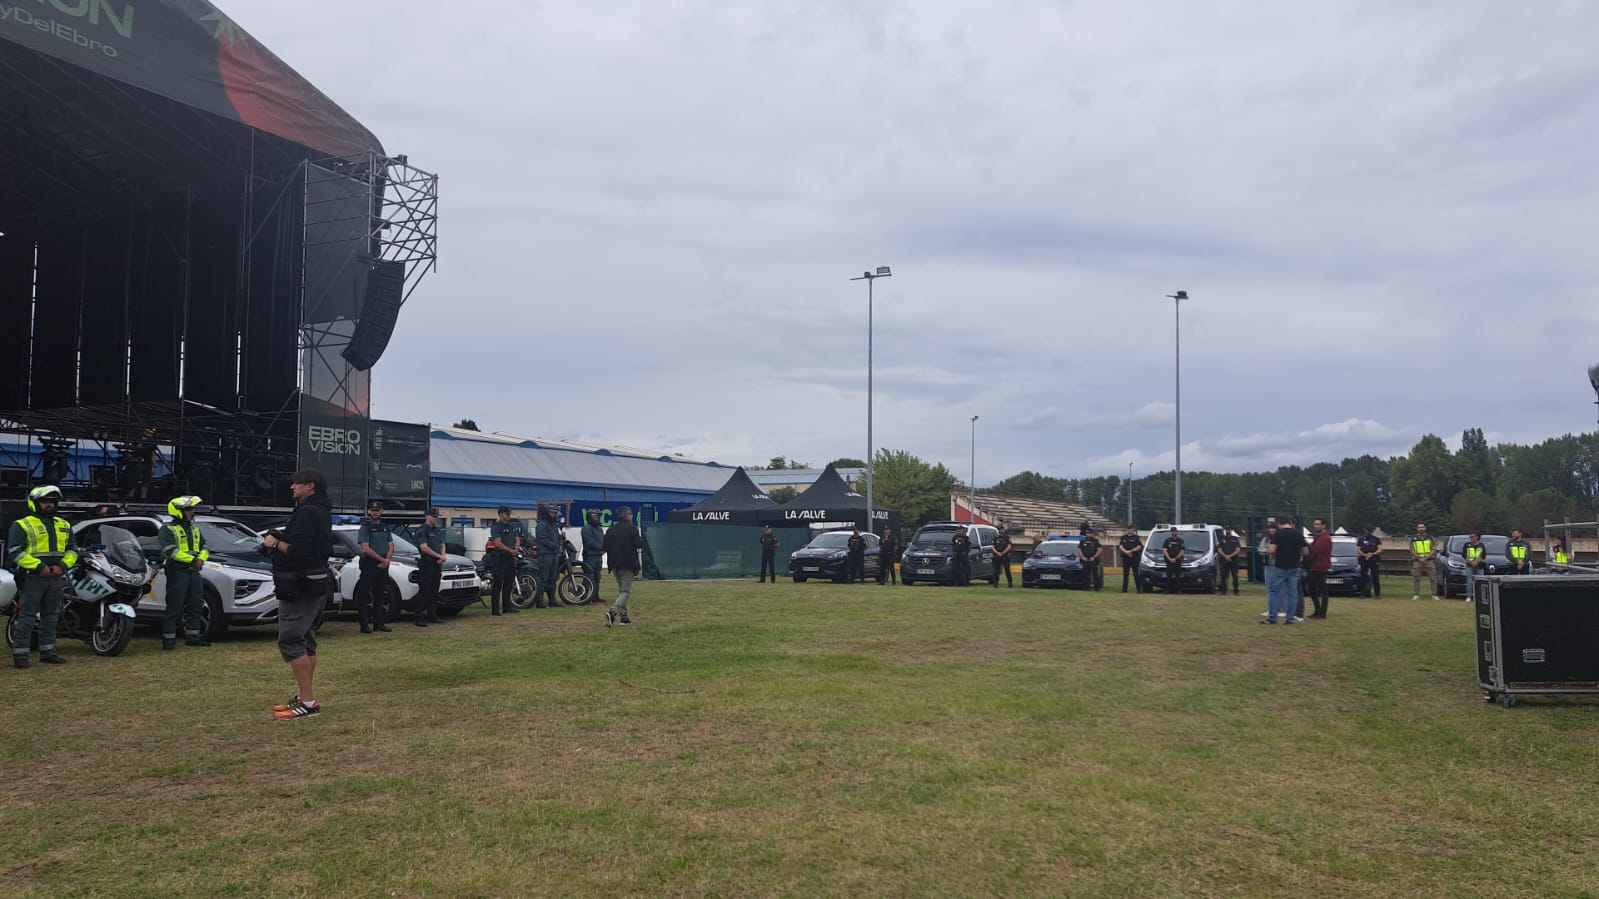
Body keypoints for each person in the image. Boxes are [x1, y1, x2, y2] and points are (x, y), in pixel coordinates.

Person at [261, 469, 332, 719]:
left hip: (299, 584)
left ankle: (309, 702)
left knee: (291, 639)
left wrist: (274, 544)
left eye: (296, 484)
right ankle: (305, 696)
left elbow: (300, 551)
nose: (292, 487)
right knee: (306, 638)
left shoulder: (308, 512)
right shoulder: (320, 510)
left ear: (310, 486)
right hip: (314, 582)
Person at [7, 485, 77, 668]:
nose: (49, 505)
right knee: (27, 616)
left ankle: (48, 652)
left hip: (56, 578)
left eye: (53, 502)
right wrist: (39, 567)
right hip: (33, 578)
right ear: (35, 503)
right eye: (45, 502)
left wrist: (62, 566)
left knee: (52, 615)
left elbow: (72, 551)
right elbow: (15, 553)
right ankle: (21, 656)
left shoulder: (64, 524)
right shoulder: (22, 524)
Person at [159, 495, 211, 649]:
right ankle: (169, 640)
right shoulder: (167, 529)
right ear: (178, 511)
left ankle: (193, 637)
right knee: (174, 605)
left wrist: (200, 560)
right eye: (189, 509)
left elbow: (205, 547)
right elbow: (170, 551)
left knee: (196, 605)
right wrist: (193, 561)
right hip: (177, 570)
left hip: (194, 571)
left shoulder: (195, 529)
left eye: (192, 509)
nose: (192, 512)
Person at [356, 500, 394, 633]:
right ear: (369, 512)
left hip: (383, 563)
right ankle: (364, 625)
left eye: (377, 511)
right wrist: (382, 559)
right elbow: (365, 549)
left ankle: (379, 623)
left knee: (380, 594)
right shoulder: (365, 527)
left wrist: (387, 559)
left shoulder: (385, 527)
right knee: (364, 595)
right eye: (373, 510)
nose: (375, 513)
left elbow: (390, 545)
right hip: (370, 563)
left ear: (382, 512)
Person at [603, 506, 643, 627]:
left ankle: (624, 617)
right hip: (628, 564)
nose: (632, 516)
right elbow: (639, 544)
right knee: (626, 591)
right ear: (626, 516)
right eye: (630, 514)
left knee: (622, 591)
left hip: (614, 565)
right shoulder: (632, 528)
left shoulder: (610, 530)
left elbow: (605, 547)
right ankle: (613, 611)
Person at [1264, 516, 1306, 624]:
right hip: (1295, 567)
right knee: (1292, 593)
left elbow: (1272, 550)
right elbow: (1305, 551)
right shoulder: (1298, 534)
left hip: (1280, 566)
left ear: (1279, 524)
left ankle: (1272, 617)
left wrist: (1271, 551)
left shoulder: (1278, 535)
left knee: (1273, 591)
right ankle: (1290, 618)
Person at [486, 506, 524, 616]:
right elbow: (497, 543)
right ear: (500, 514)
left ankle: (507, 607)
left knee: (508, 583)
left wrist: (516, 549)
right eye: (506, 514)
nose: (508, 516)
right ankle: (495, 609)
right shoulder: (496, 527)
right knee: (498, 584)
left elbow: (517, 539)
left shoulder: (511, 526)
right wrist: (510, 550)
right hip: (500, 557)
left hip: (510, 558)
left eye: (509, 514)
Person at [413, 508, 447, 627]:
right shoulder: (422, 530)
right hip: (427, 563)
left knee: (434, 590)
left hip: (437, 563)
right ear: (427, 516)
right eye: (434, 516)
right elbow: (424, 548)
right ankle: (419, 617)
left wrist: (442, 556)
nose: (436, 519)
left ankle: (432, 615)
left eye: (437, 516)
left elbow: (442, 544)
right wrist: (439, 556)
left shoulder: (437, 530)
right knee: (424, 591)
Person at [534, 504, 563, 608]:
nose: (554, 515)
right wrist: (556, 546)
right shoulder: (542, 525)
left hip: (554, 554)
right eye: (552, 513)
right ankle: (539, 600)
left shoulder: (554, 525)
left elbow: (559, 537)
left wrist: (560, 545)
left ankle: (552, 599)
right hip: (545, 554)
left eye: (555, 513)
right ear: (546, 513)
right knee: (543, 578)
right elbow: (542, 539)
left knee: (552, 578)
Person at [1306, 517, 1332, 619]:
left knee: (1322, 590)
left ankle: (1322, 612)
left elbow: (1315, 551)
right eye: (1315, 524)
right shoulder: (1319, 537)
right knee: (1312, 589)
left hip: (1320, 566)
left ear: (1323, 525)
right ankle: (1317, 610)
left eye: (1317, 524)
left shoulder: (1325, 538)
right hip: (1314, 566)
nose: (1315, 526)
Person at [582, 510, 607, 602]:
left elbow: (603, 540)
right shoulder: (586, 528)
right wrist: (602, 548)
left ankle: (595, 596)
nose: (597, 518)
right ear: (589, 517)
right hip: (589, 556)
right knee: (588, 576)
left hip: (598, 556)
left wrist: (605, 548)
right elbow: (590, 542)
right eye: (595, 516)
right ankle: (584, 597)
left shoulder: (599, 529)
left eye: (598, 516)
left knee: (597, 576)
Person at [1410, 522, 1437, 600]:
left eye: (1422, 527)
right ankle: (1416, 594)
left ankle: (1434, 595)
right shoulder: (1413, 538)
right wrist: (1419, 558)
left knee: (1432, 578)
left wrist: (1426, 558)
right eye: (1419, 527)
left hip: (1429, 560)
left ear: (1425, 528)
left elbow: (1434, 549)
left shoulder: (1430, 538)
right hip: (1417, 561)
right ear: (1417, 529)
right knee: (1416, 578)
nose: (1421, 529)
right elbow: (1412, 550)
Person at [1258, 523, 1279, 617]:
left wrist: (1270, 551)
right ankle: (1270, 608)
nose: (1271, 530)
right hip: (1267, 565)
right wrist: (1269, 550)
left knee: (1278, 588)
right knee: (1269, 587)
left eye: (1273, 528)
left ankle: (1280, 608)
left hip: (1277, 565)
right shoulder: (1265, 539)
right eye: (1270, 528)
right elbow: (1260, 550)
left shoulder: (1279, 538)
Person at [1356, 526, 1383, 598]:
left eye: (1370, 531)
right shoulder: (1361, 539)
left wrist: (1372, 554)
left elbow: (1380, 549)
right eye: (1367, 530)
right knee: (1363, 577)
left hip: (1374, 560)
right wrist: (1365, 555)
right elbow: (1358, 550)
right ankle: (1363, 594)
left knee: (1375, 577)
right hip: (1364, 560)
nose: (1368, 532)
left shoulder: (1376, 539)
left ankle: (1377, 594)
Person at [1215, 527, 1242, 595]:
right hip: (1224, 560)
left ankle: (1236, 591)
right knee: (1223, 576)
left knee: (1234, 576)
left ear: (1231, 530)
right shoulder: (1222, 539)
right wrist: (1225, 556)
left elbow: (1238, 549)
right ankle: (1223, 591)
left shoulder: (1235, 539)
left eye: (1229, 529)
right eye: (1227, 529)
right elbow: (1219, 549)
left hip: (1233, 560)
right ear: (1225, 530)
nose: (1228, 531)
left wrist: (1230, 556)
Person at [1118, 526, 1144, 593]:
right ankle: (1124, 589)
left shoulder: (1136, 537)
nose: (1129, 530)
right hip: (1126, 558)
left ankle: (1139, 589)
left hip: (1134, 557)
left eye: (1131, 528)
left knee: (1136, 574)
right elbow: (1120, 546)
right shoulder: (1123, 537)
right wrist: (1126, 552)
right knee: (1125, 574)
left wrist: (1131, 551)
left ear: (1133, 529)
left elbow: (1139, 546)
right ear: (1126, 529)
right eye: (1128, 529)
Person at [1462, 531, 1486, 602]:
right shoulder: (1467, 545)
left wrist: (1477, 561)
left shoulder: (1481, 545)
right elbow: (1464, 554)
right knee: (1469, 581)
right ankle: (1469, 596)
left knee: (1480, 581)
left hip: (1479, 566)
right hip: (1470, 565)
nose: (1471, 538)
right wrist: (1471, 562)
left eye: (1473, 537)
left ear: (1477, 537)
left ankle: (1480, 597)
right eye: (1470, 537)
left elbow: (1483, 555)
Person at [1161, 527, 1185, 594]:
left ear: (1177, 532)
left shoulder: (1180, 541)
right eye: (1172, 531)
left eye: (1175, 531)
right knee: (1168, 576)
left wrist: (1176, 558)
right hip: (1169, 560)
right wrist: (1169, 559)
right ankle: (1167, 590)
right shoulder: (1167, 540)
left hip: (1177, 560)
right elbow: (1165, 551)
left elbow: (1182, 551)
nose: (1173, 532)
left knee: (1178, 576)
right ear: (1170, 532)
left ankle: (1178, 590)